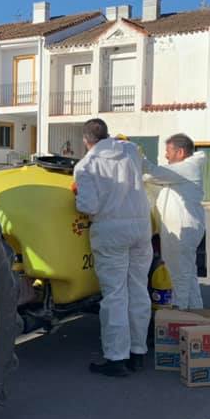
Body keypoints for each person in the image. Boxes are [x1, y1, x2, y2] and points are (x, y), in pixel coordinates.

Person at [73, 118, 152, 377]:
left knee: (115, 295)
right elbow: (136, 153)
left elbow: (88, 207)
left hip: (111, 231)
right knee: (139, 290)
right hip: (141, 228)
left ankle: (117, 358)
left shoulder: (86, 166)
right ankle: (138, 353)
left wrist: (76, 194)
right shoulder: (129, 151)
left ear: (86, 141)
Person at [143, 133, 206, 310]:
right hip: (183, 229)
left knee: (179, 276)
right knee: (189, 276)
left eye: (168, 151)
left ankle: (180, 320)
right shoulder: (181, 171)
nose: (166, 155)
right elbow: (152, 177)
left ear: (180, 152)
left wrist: (135, 156)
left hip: (182, 230)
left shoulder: (186, 168)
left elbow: (154, 173)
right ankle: (196, 317)